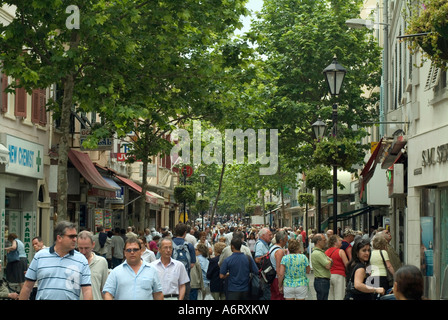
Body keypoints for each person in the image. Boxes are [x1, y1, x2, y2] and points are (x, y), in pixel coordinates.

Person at [19, 221, 93, 300]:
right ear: (59, 238)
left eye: (75, 236)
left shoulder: (81, 260)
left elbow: (87, 290)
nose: (75, 239)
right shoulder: (40, 256)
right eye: (71, 236)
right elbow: (27, 287)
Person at [77, 230, 109, 300]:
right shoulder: (73, 262)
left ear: (93, 245)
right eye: (80, 248)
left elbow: (105, 289)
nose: (83, 252)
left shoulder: (101, 262)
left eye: (86, 248)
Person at [172, 223, 197, 300]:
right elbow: (192, 264)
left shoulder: (169, 244)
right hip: (185, 279)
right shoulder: (189, 246)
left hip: (172, 280)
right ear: (185, 233)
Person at [325, 235, 349, 300]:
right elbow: (347, 264)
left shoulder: (326, 252)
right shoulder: (340, 251)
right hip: (339, 275)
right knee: (339, 296)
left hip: (329, 275)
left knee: (330, 297)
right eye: (339, 240)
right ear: (335, 242)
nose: (341, 241)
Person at [310, 233, 333, 300]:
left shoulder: (320, 252)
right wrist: (330, 261)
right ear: (318, 241)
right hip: (322, 281)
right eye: (324, 240)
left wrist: (330, 261)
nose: (325, 242)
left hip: (322, 281)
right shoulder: (318, 253)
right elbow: (328, 265)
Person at [254, 227, 273, 300]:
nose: (271, 237)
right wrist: (267, 256)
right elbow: (257, 259)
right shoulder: (260, 245)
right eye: (269, 235)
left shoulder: (265, 244)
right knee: (265, 295)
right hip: (263, 275)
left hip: (265, 275)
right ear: (263, 235)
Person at [270, 230, 288, 300]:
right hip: (277, 279)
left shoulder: (273, 247)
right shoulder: (279, 251)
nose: (286, 242)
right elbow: (279, 269)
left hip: (273, 278)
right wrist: (280, 285)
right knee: (279, 297)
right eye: (286, 240)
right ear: (281, 240)